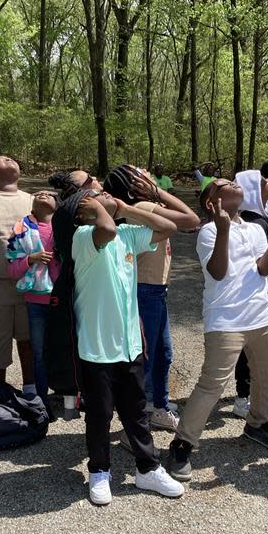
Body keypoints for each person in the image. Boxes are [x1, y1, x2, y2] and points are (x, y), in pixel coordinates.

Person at [52, 187, 185, 505]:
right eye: (96, 193)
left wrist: (126, 207)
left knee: (136, 410)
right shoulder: (83, 238)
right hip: (96, 346)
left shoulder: (126, 232)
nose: (105, 193)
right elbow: (106, 228)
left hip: (128, 343)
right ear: (83, 211)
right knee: (99, 413)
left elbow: (169, 228)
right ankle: (99, 470)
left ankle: (147, 468)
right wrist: (101, 209)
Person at [167, 179, 268, 482]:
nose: (231, 182)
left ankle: (257, 424)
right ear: (212, 201)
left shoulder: (255, 228)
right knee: (212, 385)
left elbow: (263, 268)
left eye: (233, 180)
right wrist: (222, 229)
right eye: (221, 184)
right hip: (225, 320)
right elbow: (218, 273)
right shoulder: (207, 231)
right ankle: (182, 443)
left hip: (260, 315)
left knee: (267, 374)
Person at [102, 165, 199, 431]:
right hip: (146, 291)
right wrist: (157, 192)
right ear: (136, 184)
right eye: (141, 172)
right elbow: (191, 219)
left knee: (160, 354)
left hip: (152, 290)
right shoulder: (144, 207)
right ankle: (141, 414)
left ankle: (157, 405)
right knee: (148, 356)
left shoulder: (144, 206)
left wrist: (156, 192)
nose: (148, 172)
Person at [231, 167, 268, 419]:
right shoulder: (253, 221)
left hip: (264, 287)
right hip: (254, 293)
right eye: (262, 181)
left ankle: (260, 386)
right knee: (248, 347)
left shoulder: (261, 216)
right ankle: (243, 396)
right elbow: (256, 263)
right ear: (252, 189)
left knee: (262, 346)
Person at [0, 155, 36, 393]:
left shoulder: (33, 199)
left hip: (31, 283)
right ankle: (0, 391)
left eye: (11, 159)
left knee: (29, 340)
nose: (7, 159)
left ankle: (31, 389)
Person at [6, 190, 62, 411]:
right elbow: (11, 269)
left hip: (61, 299)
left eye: (49, 193)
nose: (43, 193)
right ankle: (41, 400)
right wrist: (31, 259)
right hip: (36, 301)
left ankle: (69, 395)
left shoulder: (64, 228)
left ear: (57, 205)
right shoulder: (21, 229)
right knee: (38, 351)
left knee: (63, 349)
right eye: (39, 192)